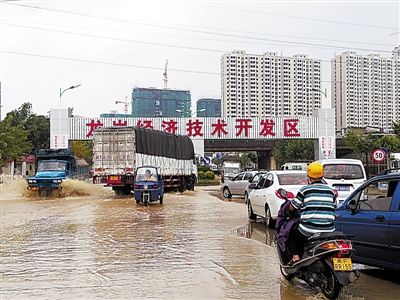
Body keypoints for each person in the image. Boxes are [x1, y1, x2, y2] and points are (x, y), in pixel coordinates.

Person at [287, 161, 337, 264]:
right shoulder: (331, 191)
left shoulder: (305, 190)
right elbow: (334, 206)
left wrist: (290, 207)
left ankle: (296, 258)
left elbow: (293, 207)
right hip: (329, 230)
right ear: (322, 175)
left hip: (308, 230)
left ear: (308, 176)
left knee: (292, 233)